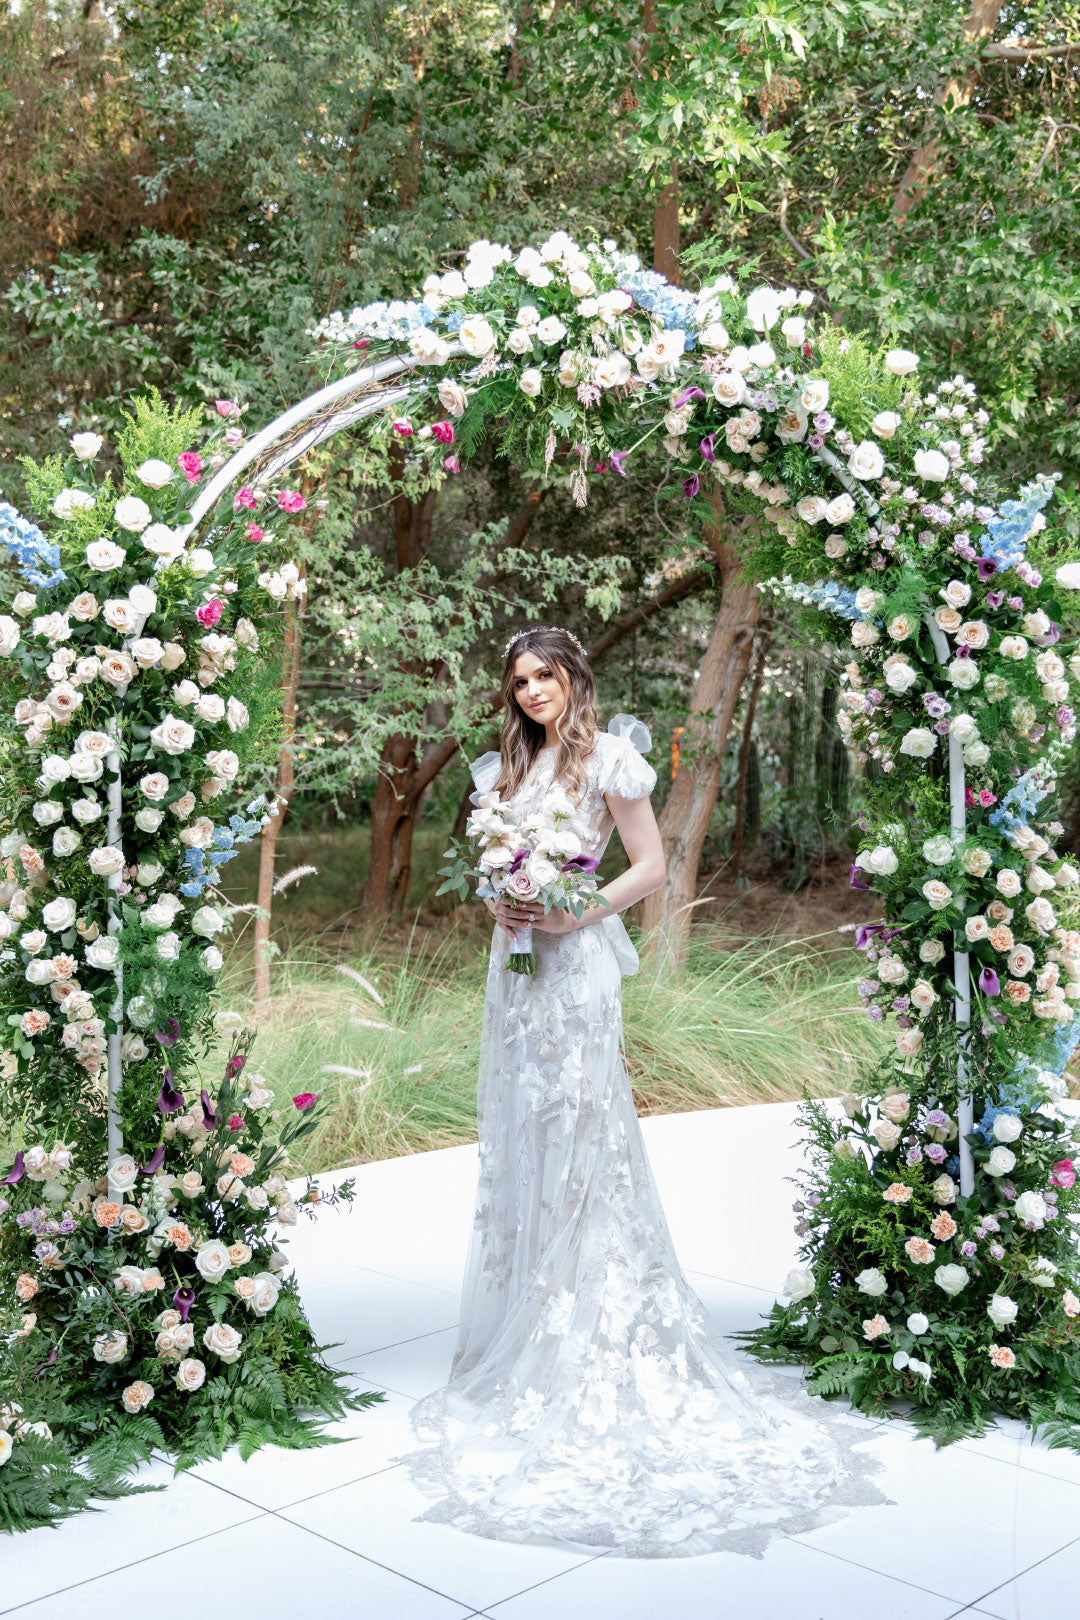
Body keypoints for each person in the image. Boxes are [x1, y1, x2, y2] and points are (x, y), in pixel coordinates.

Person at [394, 625, 885, 1557]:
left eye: (546, 677)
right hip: (516, 964)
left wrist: (576, 906)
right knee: (525, 1128)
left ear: (575, 678)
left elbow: (652, 868)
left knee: (583, 1131)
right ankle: (527, 1312)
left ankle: (590, 1315)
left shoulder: (611, 759)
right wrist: (500, 899)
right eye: (521, 681)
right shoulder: (504, 768)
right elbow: (495, 866)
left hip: (577, 966)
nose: (533, 692)